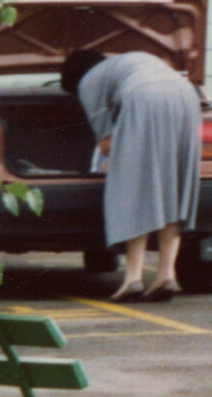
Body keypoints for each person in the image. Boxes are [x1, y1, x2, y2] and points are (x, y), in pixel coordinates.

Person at [60, 47, 201, 303]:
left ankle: (133, 279)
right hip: (185, 92)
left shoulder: (88, 82)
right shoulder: (125, 62)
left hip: (144, 96)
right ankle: (166, 275)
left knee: (133, 187)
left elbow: (107, 145)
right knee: (172, 186)